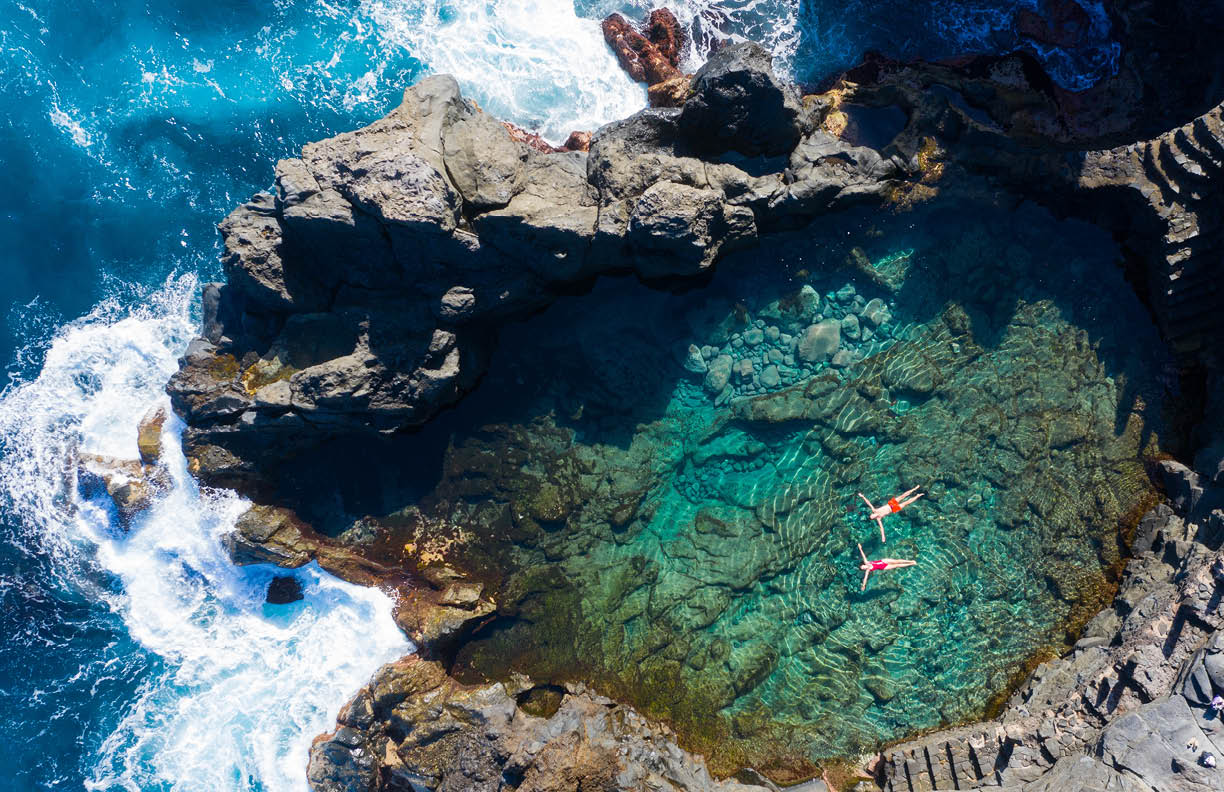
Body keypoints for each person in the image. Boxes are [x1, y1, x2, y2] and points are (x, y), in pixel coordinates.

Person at [858, 486, 924, 543]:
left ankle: (914, 489)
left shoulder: (874, 510)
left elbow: (868, 503)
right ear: (874, 518)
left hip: (890, 504)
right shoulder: (879, 519)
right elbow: (882, 528)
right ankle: (917, 496)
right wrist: (883, 536)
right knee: (906, 503)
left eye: (872, 515)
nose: (874, 515)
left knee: (903, 496)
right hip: (893, 509)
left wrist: (862, 496)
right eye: (873, 517)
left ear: (872, 514)